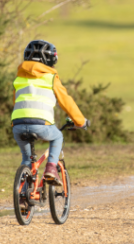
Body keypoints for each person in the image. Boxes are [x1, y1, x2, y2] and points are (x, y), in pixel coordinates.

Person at [11, 40, 89, 185]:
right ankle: (51, 168)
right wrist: (80, 121)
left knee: (27, 160)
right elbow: (66, 101)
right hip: (40, 123)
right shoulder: (50, 77)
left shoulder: (19, 78)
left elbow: (16, 102)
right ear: (51, 60)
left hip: (18, 124)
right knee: (57, 137)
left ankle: (23, 199)